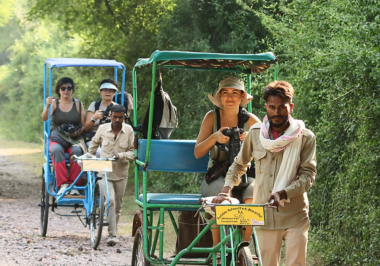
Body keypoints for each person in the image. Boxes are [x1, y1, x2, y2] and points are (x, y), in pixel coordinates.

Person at [214, 81, 317, 266]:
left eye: (281, 107)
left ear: (290, 107)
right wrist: (226, 190)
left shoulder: (305, 137)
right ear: (266, 107)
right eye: (272, 107)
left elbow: (307, 176)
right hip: (264, 215)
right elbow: (239, 165)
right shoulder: (255, 134)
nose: (276, 112)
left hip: (295, 215)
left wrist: (283, 193)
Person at [194, 76, 261, 247]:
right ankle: (218, 250)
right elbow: (198, 153)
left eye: (234, 93)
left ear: (241, 97)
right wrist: (214, 137)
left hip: (246, 176)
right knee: (220, 199)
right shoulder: (212, 117)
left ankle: (243, 248)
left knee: (254, 196)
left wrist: (251, 142)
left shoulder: (251, 120)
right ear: (220, 97)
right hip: (216, 175)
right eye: (225, 93)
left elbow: (268, 151)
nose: (230, 97)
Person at [88, 104, 134, 246]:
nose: (117, 120)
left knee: (118, 205)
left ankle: (113, 229)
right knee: (111, 201)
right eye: (115, 117)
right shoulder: (102, 129)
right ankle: (112, 235)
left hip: (121, 173)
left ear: (124, 117)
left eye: (121, 117)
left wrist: (120, 155)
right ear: (110, 116)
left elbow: (133, 152)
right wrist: (90, 157)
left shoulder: (129, 131)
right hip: (104, 171)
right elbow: (94, 145)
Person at [42, 77, 86, 196]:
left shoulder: (77, 104)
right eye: (63, 88)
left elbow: (83, 125)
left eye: (69, 88)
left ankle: (74, 185)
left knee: (77, 151)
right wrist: (47, 106)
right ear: (59, 90)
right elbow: (44, 118)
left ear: (72, 90)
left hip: (73, 138)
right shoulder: (54, 103)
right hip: (57, 137)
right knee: (56, 150)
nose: (66, 91)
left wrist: (76, 132)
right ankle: (63, 184)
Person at [83, 79, 118, 157]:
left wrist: (114, 120)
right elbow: (86, 128)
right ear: (100, 91)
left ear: (114, 92)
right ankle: (96, 169)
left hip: (110, 138)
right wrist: (94, 118)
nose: (108, 92)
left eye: (111, 90)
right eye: (105, 90)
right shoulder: (94, 105)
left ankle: (105, 169)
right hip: (93, 137)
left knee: (110, 154)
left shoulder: (117, 108)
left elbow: (123, 129)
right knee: (98, 153)